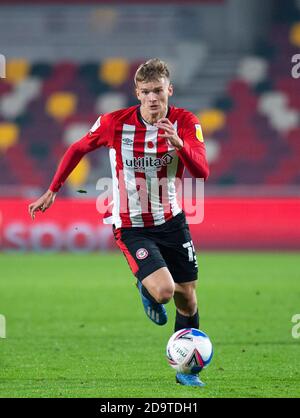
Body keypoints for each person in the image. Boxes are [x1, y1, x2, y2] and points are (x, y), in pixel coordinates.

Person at [28, 58, 209, 387]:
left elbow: (202, 172)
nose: (153, 98)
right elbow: (77, 147)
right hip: (131, 225)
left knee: (188, 297)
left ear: (169, 90)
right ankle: (145, 285)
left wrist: (180, 146)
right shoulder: (114, 123)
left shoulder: (185, 122)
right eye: (146, 92)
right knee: (166, 291)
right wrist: (52, 189)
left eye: (158, 90)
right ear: (137, 93)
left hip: (172, 221)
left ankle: (186, 369)